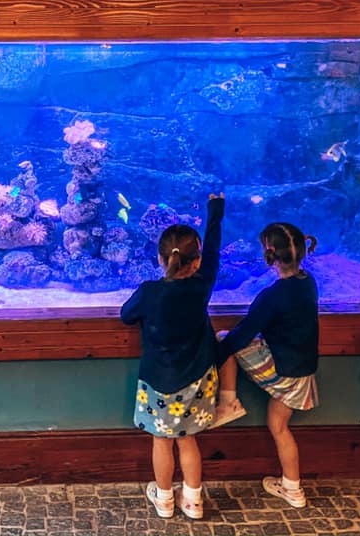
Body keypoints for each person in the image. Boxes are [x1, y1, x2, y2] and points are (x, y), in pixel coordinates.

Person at [120, 193, 225, 520]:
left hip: (158, 383)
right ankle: (193, 503)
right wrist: (215, 211)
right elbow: (213, 252)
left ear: (160, 258)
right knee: (188, 441)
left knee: (162, 442)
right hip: (196, 380)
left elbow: (126, 315)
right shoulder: (202, 285)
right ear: (196, 261)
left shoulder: (150, 292)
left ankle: (164, 500)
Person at [215, 223, 319, 508]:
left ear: (269, 254)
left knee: (225, 338)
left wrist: (214, 355)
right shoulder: (308, 281)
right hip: (303, 373)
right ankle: (293, 489)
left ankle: (229, 402)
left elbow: (241, 335)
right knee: (279, 426)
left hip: (283, 372)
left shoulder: (271, 297)